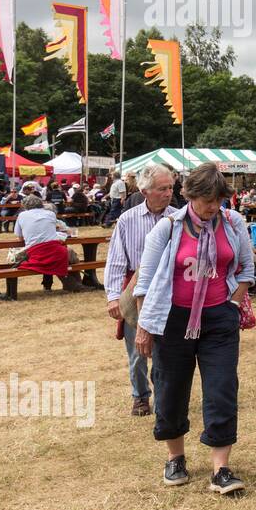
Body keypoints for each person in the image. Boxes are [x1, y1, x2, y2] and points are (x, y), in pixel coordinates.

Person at [132, 162, 254, 494]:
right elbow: (145, 283)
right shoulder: (168, 227)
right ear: (190, 195)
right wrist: (146, 328)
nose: (212, 206)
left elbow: (246, 270)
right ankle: (175, 459)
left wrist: (232, 304)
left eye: (218, 199)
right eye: (206, 199)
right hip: (173, 321)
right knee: (170, 389)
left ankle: (221, 468)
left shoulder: (233, 223)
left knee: (222, 388)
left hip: (219, 320)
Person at [104, 163, 176, 417]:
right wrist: (113, 297)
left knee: (165, 350)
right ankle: (140, 396)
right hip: (135, 289)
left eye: (170, 188)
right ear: (145, 191)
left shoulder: (179, 218)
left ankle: (165, 397)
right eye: (162, 189)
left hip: (168, 290)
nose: (168, 193)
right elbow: (115, 260)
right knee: (137, 350)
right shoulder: (127, 219)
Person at [13, 193, 82, 292]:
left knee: (65, 256)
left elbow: (20, 238)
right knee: (70, 255)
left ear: (25, 206)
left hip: (36, 252)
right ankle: (76, 284)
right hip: (56, 250)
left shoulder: (22, 215)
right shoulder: (50, 214)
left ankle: (74, 285)